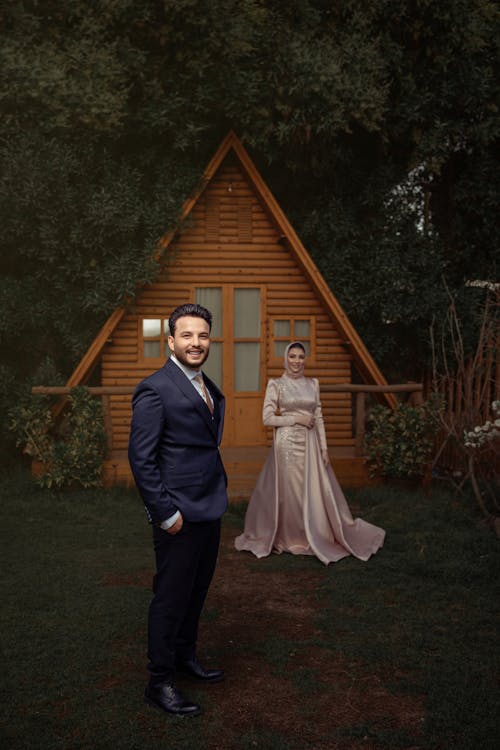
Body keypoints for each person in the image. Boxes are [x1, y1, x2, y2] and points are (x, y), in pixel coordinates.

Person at [128, 303, 228, 718]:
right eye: (187, 335)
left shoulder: (204, 384)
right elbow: (141, 458)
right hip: (179, 516)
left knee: (196, 592)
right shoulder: (156, 388)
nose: (196, 342)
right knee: (170, 598)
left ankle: (185, 659)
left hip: (209, 508)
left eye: (202, 335)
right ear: (170, 341)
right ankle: (160, 681)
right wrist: (166, 513)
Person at [235, 342, 385, 565]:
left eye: (301, 357)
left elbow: (319, 416)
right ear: (286, 358)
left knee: (313, 489)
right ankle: (291, 535)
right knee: (291, 491)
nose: (297, 361)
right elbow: (267, 419)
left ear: (305, 359)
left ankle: (315, 532)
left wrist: (325, 448)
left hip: (311, 444)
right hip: (286, 446)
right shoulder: (276, 384)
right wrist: (296, 419)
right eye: (292, 356)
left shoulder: (313, 383)